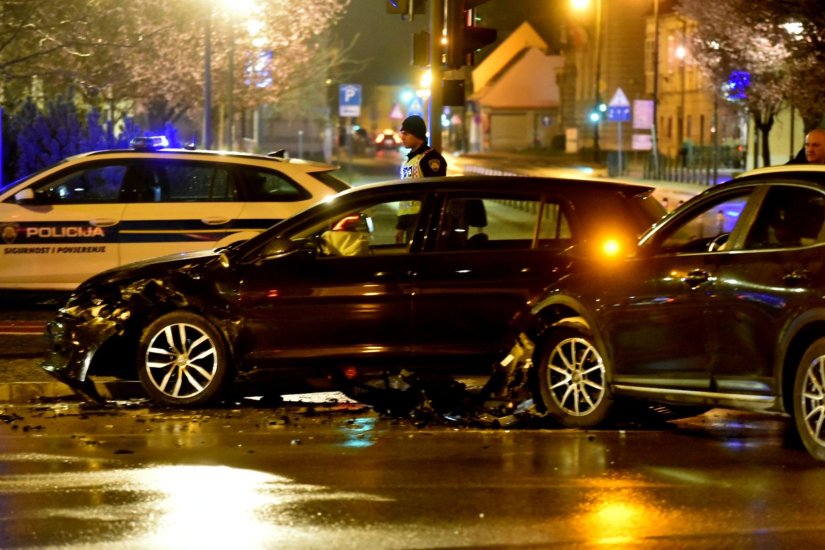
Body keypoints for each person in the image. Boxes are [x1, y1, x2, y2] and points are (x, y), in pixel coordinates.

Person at [395, 115, 447, 242]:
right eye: (402, 133)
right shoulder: (409, 161)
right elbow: (405, 197)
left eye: (406, 133)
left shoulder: (431, 159)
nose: (402, 137)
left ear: (416, 134)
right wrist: (401, 225)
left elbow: (435, 193)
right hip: (410, 222)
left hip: (424, 223)